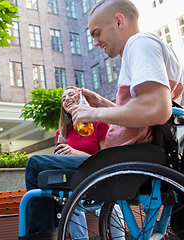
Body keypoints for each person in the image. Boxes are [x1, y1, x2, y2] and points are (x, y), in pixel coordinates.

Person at [21, 0, 184, 239]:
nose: (95, 42)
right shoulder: (154, 47)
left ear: (119, 21)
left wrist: (94, 114)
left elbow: (159, 109)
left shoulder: (140, 43)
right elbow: (146, 115)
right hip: (142, 156)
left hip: (125, 162)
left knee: (36, 165)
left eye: (96, 34)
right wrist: (102, 103)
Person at [54, 86, 110, 240]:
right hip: (76, 181)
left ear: (81, 96)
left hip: (100, 178)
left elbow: (106, 160)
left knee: (111, 207)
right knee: (69, 201)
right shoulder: (61, 133)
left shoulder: (99, 122)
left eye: (71, 95)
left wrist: (76, 153)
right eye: (63, 99)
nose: (67, 100)